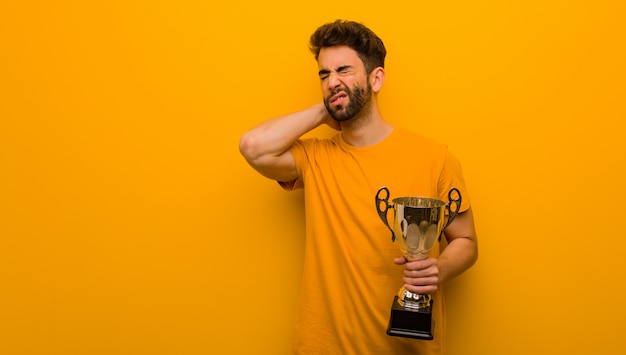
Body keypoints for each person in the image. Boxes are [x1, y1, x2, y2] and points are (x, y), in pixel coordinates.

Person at [239, 19, 478, 355]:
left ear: (375, 78)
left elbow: (466, 241)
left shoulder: (434, 157)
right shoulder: (315, 157)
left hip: (405, 347)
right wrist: (325, 111)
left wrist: (441, 267)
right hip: (322, 347)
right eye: (324, 75)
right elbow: (253, 147)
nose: (332, 81)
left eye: (343, 70)